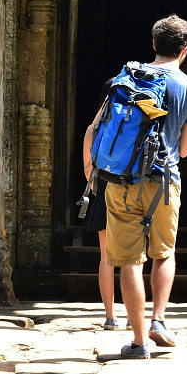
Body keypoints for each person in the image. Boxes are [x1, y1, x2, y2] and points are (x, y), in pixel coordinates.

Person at [105, 14, 187, 360]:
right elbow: (186, 149)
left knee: (130, 261)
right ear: (186, 49)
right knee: (163, 252)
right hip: (165, 180)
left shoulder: (126, 75)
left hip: (122, 179)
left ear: (153, 44)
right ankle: (159, 319)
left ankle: (138, 341)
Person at [82, 77, 121, 329]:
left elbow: (88, 174)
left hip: (104, 195)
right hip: (131, 196)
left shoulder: (93, 130)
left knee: (106, 258)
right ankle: (136, 315)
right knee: (133, 259)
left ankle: (110, 316)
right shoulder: (136, 126)